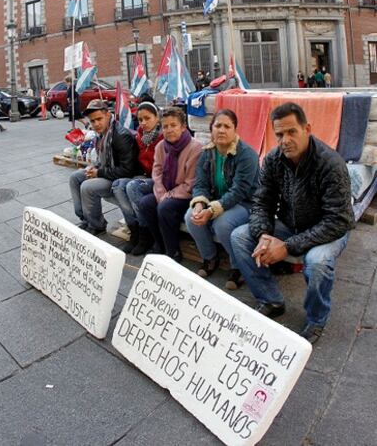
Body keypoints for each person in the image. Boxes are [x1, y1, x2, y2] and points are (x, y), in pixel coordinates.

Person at [231, 102, 354, 344]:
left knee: (317, 262)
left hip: (329, 229)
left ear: (307, 128)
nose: (285, 140)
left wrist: (287, 246)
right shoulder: (274, 160)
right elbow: (262, 202)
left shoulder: (330, 164)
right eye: (279, 134)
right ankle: (271, 300)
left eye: (291, 132)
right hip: (291, 224)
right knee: (240, 236)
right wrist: (264, 234)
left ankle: (317, 319)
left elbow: (337, 220)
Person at [185, 109, 259, 290]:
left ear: (235, 130)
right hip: (219, 201)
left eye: (227, 126)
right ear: (212, 129)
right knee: (190, 217)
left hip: (246, 203)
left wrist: (211, 210)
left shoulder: (247, 154)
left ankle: (238, 266)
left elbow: (239, 191)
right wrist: (200, 204)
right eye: (218, 125)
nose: (222, 130)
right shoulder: (207, 153)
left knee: (222, 223)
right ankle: (210, 258)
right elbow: (200, 184)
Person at [137, 107, 203, 260]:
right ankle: (160, 244)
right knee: (145, 203)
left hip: (187, 195)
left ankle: (173, 252)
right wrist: (162, 193)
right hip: (166, 191)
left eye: (173, 125)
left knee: (165, 207)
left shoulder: (195, 148)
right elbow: (157, 172)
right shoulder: (161, 146)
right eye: (165, 126)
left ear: (183, 127)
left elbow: (191, 183)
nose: (169, 130)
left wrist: (169, 196)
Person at [69, 99, 137, 236]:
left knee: (87, 187)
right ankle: (86, 219)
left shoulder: (120, 136)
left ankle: (97, 225)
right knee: (75, 177)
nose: (96, 124)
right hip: (107, 170)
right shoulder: (102, 134)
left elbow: (127, 170)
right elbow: (102, 160)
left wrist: (98, 172)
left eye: (99, 119)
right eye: (93, 121)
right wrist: (94, 167)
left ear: (107, 115)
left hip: (121, 179)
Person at [112, 101, 163, 254]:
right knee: (118, 185)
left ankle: (145, 233)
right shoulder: (139, 137)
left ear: (157, 118)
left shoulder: (162, 137)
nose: (143, 123)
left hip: (158, 179)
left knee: (132, 187)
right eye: (140, 120)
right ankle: (134, 229)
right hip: (144, 176)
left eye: (147, 118)